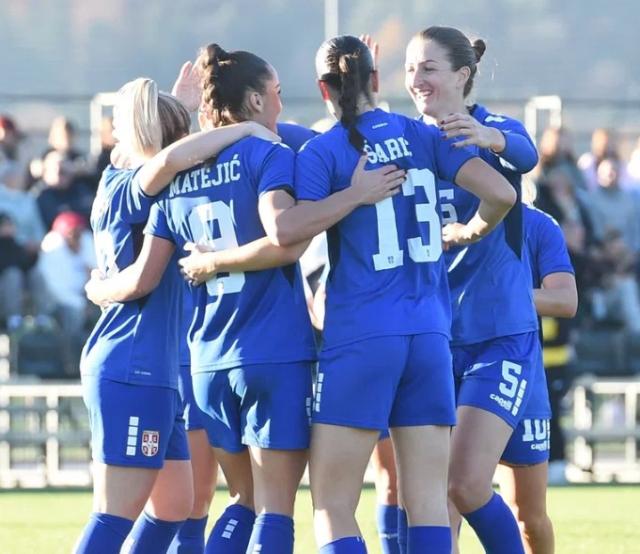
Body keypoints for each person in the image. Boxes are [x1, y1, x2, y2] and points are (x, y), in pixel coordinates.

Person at [84, 43, 403, 554]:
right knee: (274, 509)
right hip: (271, 352)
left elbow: (153, 249)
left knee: (230, 501)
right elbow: (285, 237)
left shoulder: (172, 180)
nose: (281, 102)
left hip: (206, 360)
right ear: (255, 101)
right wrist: (356, 97)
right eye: (275, 92)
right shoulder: (269, 152)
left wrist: (102, 286)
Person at [262, 35, 514, 554]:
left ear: (323, 90)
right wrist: (471, 230)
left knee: (333, 505)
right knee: (427, 504)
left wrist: (352, 195)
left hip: (361, 335)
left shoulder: (323, 150)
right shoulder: (421, 134)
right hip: (429, 336)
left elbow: (289, 231)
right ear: (376, 80)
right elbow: (503, 193)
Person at [74, 76, 279, 554]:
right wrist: (245, 129)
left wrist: (176, 109)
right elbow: (166, 161)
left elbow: (158, 153)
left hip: (155, 369)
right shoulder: (132, 187)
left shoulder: (116, 174)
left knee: (174, 505)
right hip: (132, 364)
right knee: (114, 513)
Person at [404, 26, 540, 554]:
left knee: (465, 484)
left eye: (429, 68)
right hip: (433, 336)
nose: (417, 79)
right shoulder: (407, 139)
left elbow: (525, 154)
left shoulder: (492, 127)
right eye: (410, 68)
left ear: (462, 75)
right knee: (431, 496)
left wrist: (490, 139)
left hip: (497, 334)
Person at [496, 181, 577, 554]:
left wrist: (501, 296)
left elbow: (565, 300)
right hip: (451, 368)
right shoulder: (439, 217)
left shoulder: (537, 224)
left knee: (528, 515)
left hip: (519, 371)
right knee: (451, 496)